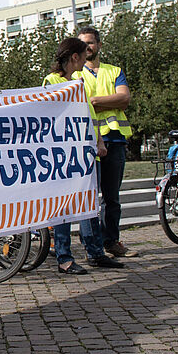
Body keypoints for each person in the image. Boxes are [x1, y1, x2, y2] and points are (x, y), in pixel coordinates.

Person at [43, 38, 122, 274]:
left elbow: (87, 114)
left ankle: (95, 252)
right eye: (83, 54)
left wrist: (98, 140)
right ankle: (64, 257)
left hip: (85, 151)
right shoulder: (52, 81)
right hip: (66, 153)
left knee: (89, 203)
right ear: (74, 57)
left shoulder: (78, 83)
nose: (86, 58)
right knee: (64, 207)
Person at [74, 26, 138, 258]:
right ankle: (91, 245)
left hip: (115, 140)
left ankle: (111, 241)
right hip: (87, 142)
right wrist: (108, 101)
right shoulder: (74, 74)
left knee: (112, 197)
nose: (87, 47)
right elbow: (77, 103)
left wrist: (93, 101)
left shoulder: (114, 71)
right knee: (89, 197)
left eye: (90, 43)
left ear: (99, 45)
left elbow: (124, 99)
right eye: (82, 44)